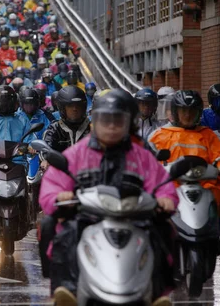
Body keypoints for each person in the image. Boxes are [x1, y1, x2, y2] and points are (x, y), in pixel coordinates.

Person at [39, 89, 178, 306]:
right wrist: (58, 197)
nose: (111, 126)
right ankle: (67, 289)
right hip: (88, 218)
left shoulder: (141, 155)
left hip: (136, 218)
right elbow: (53, 184)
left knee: (164, 231)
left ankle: (158, 292)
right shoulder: (77, 153)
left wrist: (165, 199)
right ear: (95, 121)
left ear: (128, 123)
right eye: (105, 120)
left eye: (117, 121)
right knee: (65, 235)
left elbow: (162, 183)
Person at [149, 90, 220, 217]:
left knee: (215, 200)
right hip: (172, 186)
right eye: (183, 111)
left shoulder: (208, 135)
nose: (187, 115)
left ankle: (215, 230)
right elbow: (148, 159)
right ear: (175, 112)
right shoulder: (161, 135)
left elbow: (219, 155)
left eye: (191, 111)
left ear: (198, 113)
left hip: (204, 185)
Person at [43, 86, 90, 153]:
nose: (74, 109)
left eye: (78, 105)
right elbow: (45, 149)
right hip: (61, 163)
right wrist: (46, 159)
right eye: (70, 106)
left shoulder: (92, 128)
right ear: (62, 109)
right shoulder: (54, 129)